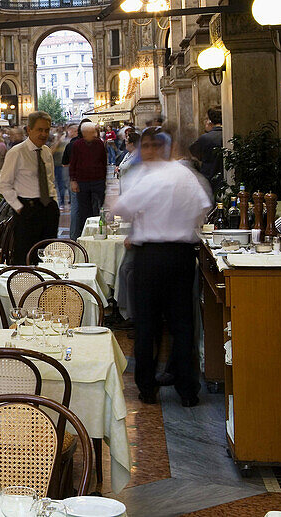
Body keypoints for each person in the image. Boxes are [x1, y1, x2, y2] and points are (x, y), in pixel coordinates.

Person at [112, 127, 210, 406]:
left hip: (151, 256)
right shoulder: (186, 175)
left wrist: (145, 219)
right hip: (180, 255)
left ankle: (146, 387)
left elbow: (120, 208)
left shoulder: (145, 177)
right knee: (182, 324)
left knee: (147, 324)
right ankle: (187, 389)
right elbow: (204, 209)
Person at [0, 111, 59, 265]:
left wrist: (54, 202)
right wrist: (19, 207)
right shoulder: (16, 153)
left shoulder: (46, 152)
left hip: (48, 208)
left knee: (48, 255)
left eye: (47, 130)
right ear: (29, 130)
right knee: (25, 256)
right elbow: (4, 185)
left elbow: (50, 180)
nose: (44, 134)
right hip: (27, 210)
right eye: (40, 130)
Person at [67, 121, 107, 240]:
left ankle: (101, 231)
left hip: (98, 181)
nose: (93, 134)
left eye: (93, 132)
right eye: (90, 132)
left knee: (100, 207)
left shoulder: (99, 143)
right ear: (84, 133)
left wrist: (104, 180)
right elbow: (73, 163)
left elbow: (103, 161)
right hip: (82, 181)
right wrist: (73, 180)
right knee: (84, 210)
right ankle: (86, 235)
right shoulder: (77, 145)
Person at [189, 105, 224, 199]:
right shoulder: (229, 135)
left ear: (210, 121)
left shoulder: (205, 138)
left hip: (209, 180)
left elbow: (193, 153)